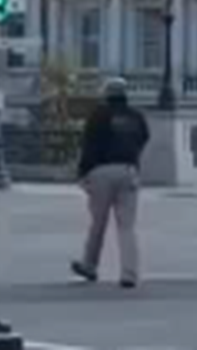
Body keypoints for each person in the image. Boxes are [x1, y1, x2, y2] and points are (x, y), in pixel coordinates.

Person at [70, 78, 150, 289]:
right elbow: (144, 138)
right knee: (127, 226)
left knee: (98, 223)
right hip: (128, 170)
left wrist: (82, 173)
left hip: (102, 171)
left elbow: (88, 145)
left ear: (107, 94)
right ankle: (129, 273)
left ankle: (90, 265)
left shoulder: (99, 115)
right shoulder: (136, 116)